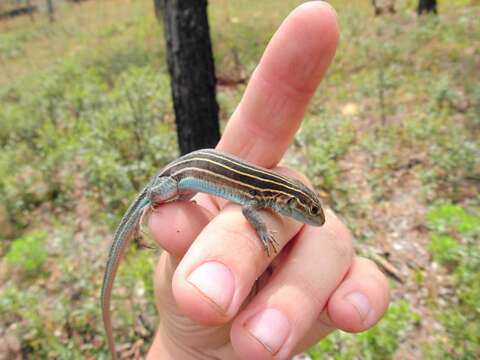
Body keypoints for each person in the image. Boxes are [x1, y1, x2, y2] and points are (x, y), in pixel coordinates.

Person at [146, 2, 390, 359]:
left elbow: (256, 209)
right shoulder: (260, 197)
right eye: (307, 210)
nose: (311, 218)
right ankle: (149, 203)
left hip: (190, 181)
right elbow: (248, 213)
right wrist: (262, 233)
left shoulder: (264, 192)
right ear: (289, 203)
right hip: (179, 178)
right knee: (159, 197)